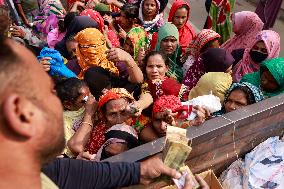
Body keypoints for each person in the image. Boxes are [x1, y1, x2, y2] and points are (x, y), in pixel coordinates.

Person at [0, 20, 207, 189]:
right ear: (21, 113)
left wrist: (136, 172)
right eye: (50, 92)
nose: (63, 105)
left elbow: (61, 171)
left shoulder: (25, 166)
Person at [68, 88, 152, 156]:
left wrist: (139, 105)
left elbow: (147, 95)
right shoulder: (98, 129)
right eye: (113, 114)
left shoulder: (137, 120)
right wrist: (89, 114)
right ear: (103, 115)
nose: (119, 120)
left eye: (123, 112)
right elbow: (75, 147)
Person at [55, 78, 91, 158]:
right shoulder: (62, 122)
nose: (89, 101)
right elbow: (73, 151)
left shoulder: (88, 105)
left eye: (89, 96)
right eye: (84, 100)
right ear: (68, 104)